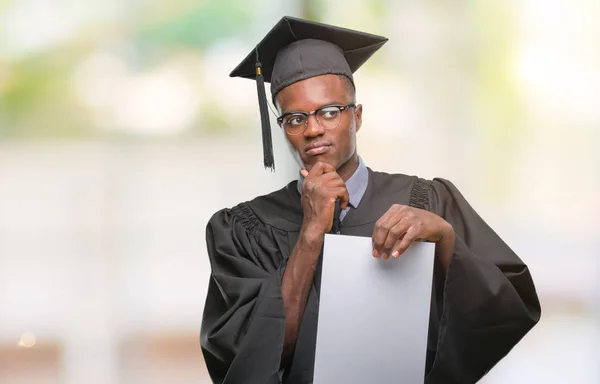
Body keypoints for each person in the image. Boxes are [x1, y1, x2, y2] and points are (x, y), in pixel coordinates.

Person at [200, 16, 541, 384]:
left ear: (357, 116)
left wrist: (445, 241)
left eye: (330, 112)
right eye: (295, 118)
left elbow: (507, 311)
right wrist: (311, 234)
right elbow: (243, 359)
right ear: (281, 127)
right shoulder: (241, 231)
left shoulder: (428, 202)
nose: (313, 129)